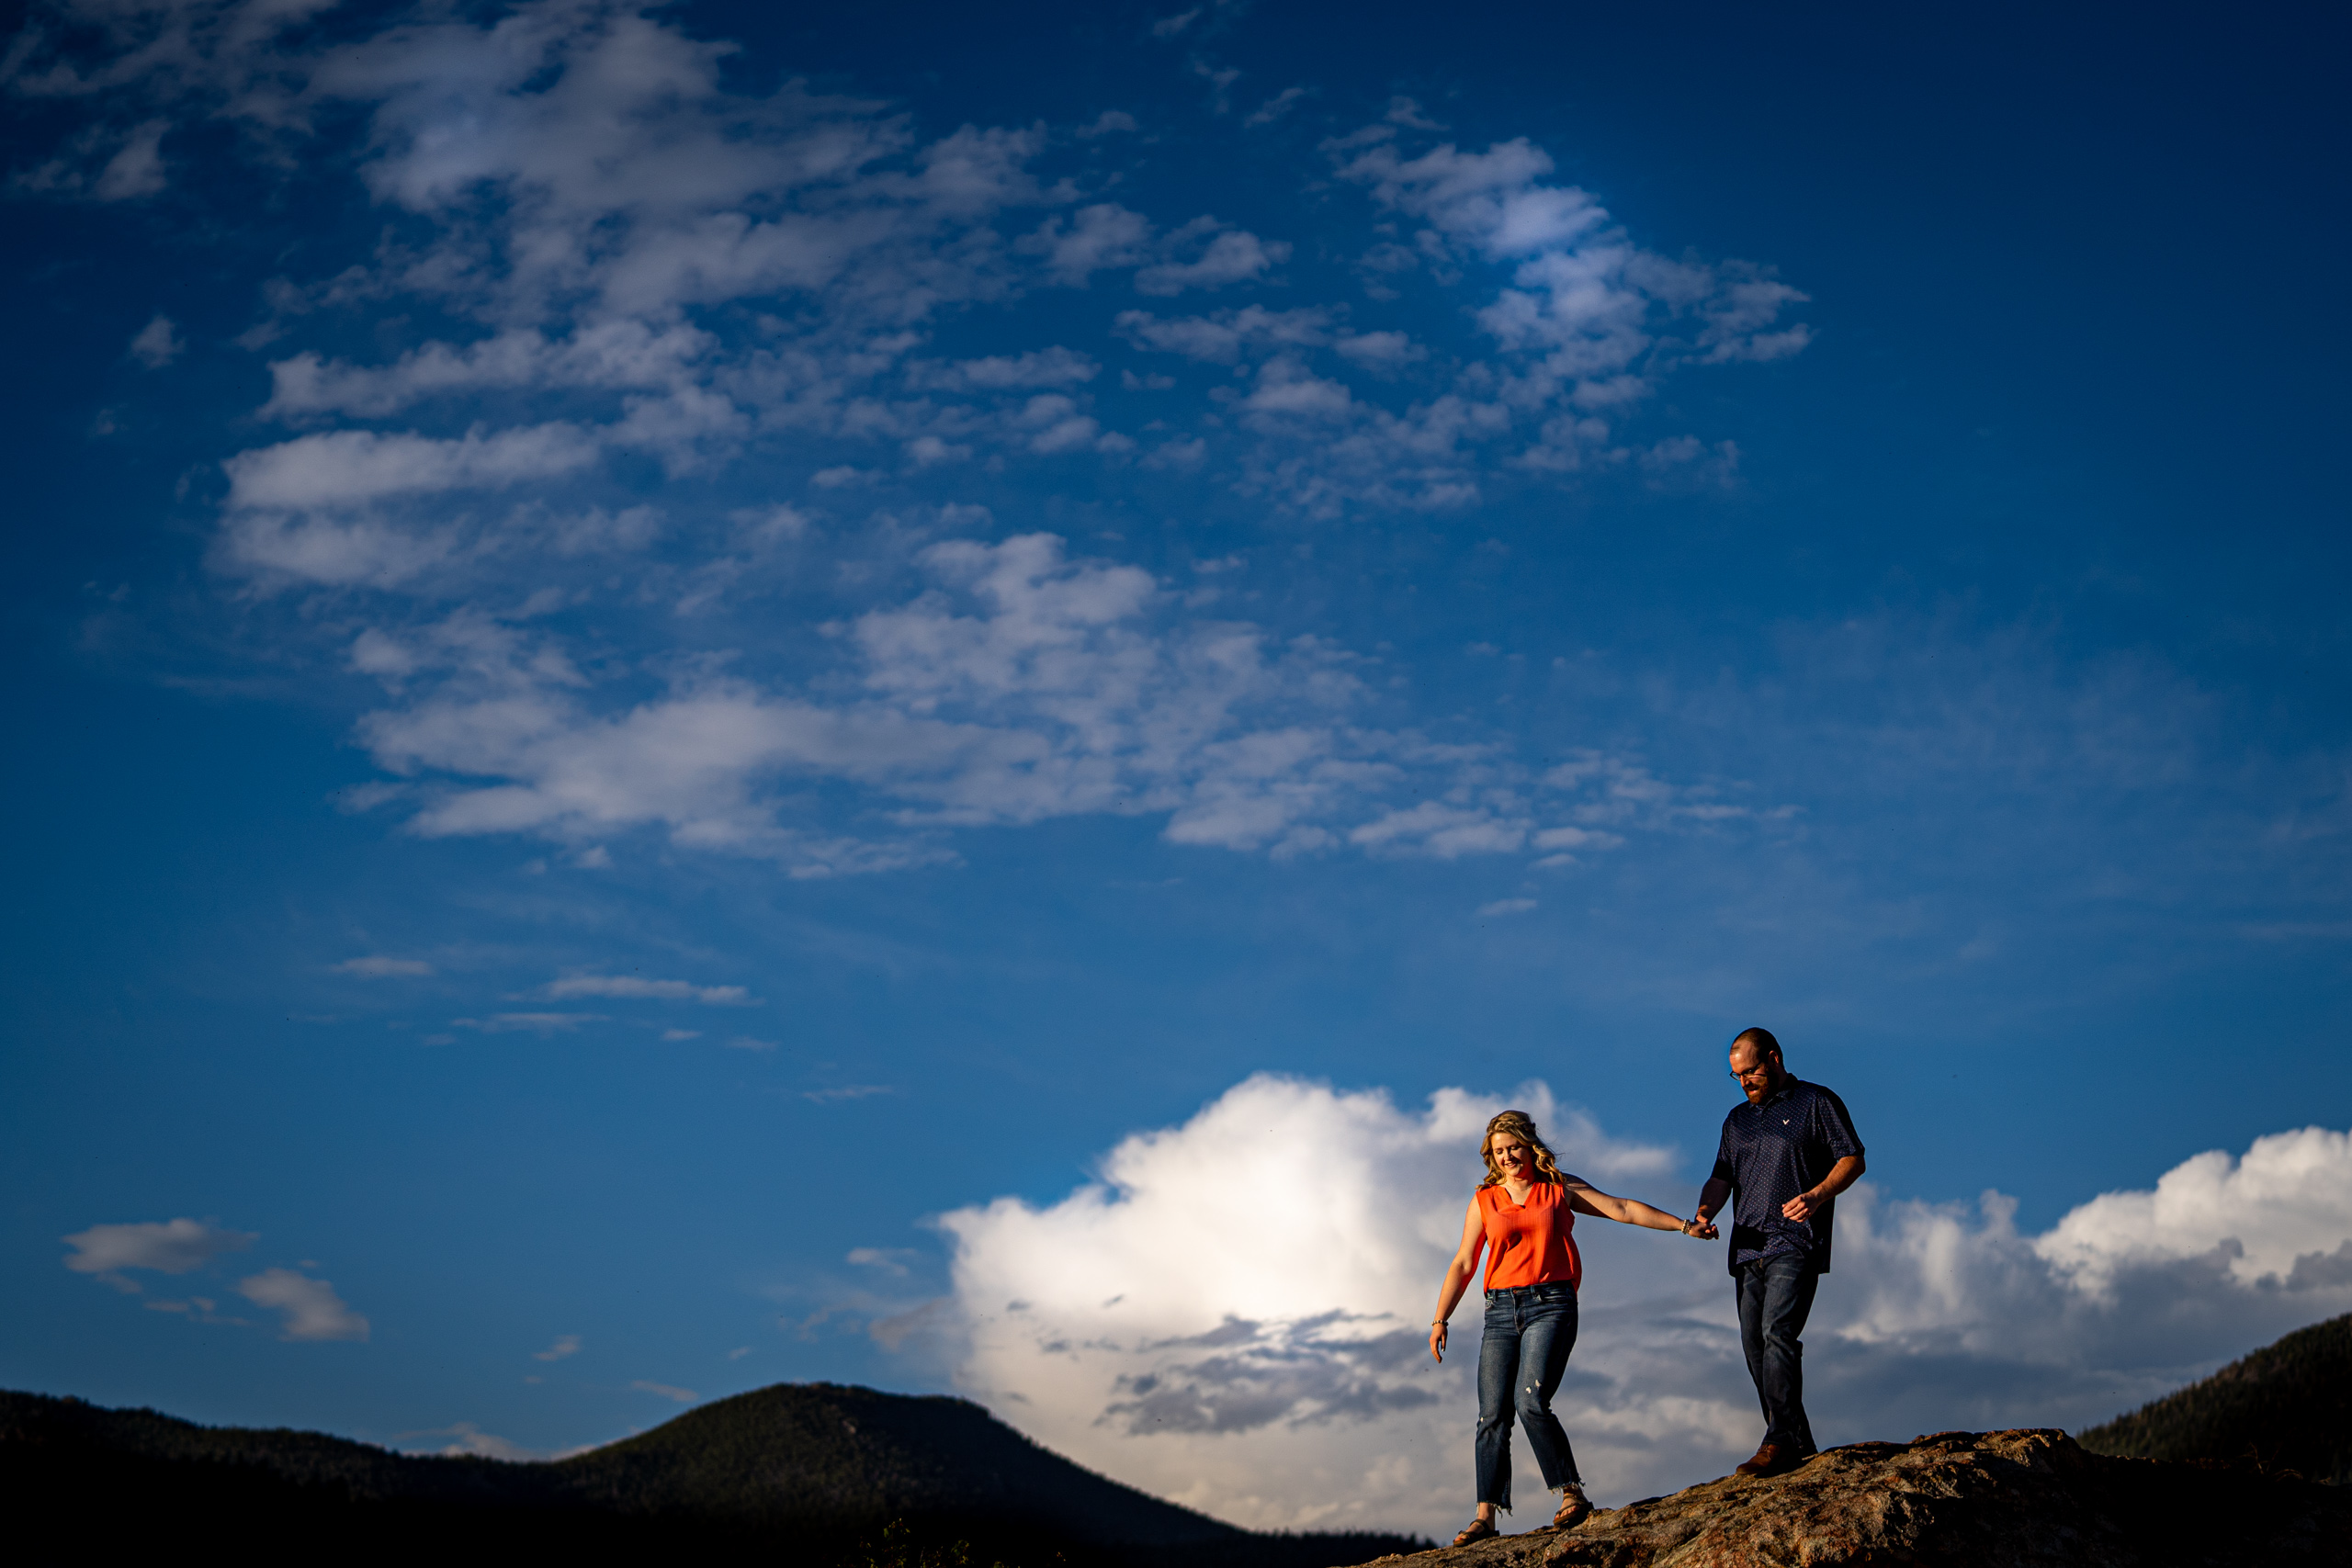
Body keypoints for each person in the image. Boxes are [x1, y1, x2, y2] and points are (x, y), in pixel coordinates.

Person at [1429, 1108, 1716, 1546]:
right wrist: (1440, 1318)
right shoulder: (1485, 1200)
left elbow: (1621, 1208)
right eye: (1499, 1151)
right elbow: (1465, 1261)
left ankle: (1570, 1494)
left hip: (1552, 1304)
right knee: (1491, 1415)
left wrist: (1683, 1226)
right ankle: (1485, 1516)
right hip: (1500, 1311)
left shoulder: (1558, 1188)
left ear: (1530, 1145)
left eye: (1514, 1148)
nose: (1507, 1158)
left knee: (1531, 1400)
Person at [1690, 1026, 1866, 1480]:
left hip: (1794, 1241)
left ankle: (1779, 1439)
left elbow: (1852, 1158)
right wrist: (1705, 1210)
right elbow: (1721, 1176)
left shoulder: (1816, 1102)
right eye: (1737, 1076)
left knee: (1777, 1332)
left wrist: (1818, 1194)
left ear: (1774, 1058)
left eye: (1751, 1072)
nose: (1745, 1081)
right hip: (1747, 1246)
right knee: (1754, 1346)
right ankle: (1796, 1439)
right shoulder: (1736, 1121)